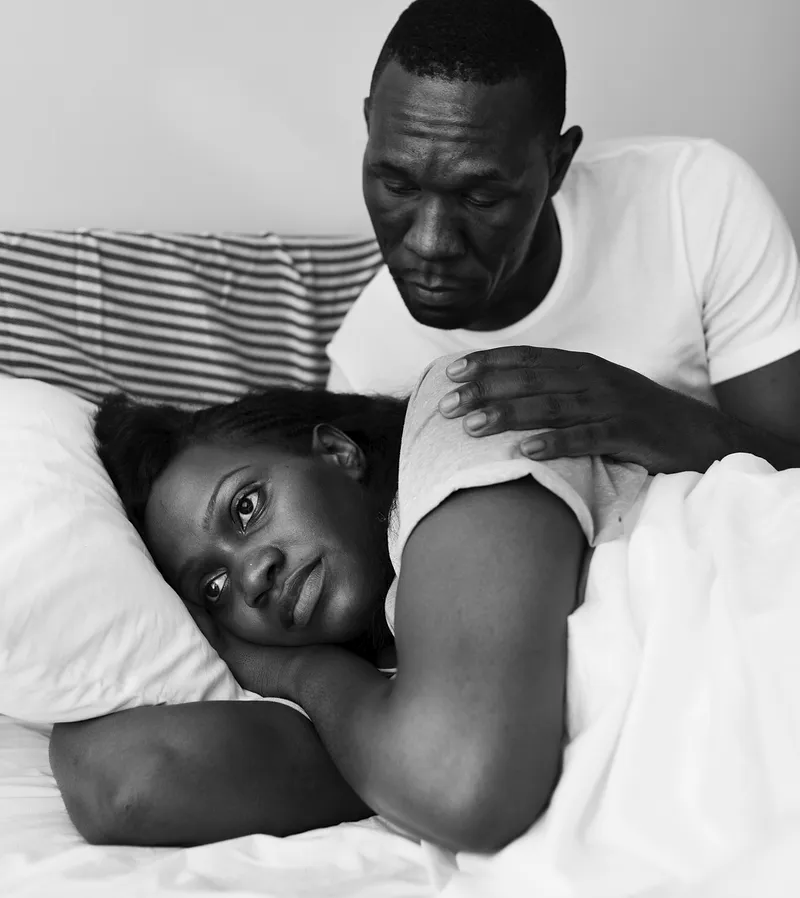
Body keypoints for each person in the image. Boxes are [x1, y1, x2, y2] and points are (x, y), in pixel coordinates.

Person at [52, 355, 648, 852]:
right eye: (213, 587)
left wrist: (301, 670)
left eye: (247, 507)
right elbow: (124, 786)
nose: (251, 577)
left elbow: (458, 788)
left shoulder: (461, 413)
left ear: (338, 453)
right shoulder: (372, 689)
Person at [327, 0, 800, 474]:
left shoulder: (696, 201)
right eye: (397, 186)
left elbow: (793, 459)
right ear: (370, 126)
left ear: (557, 164)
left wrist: (650, 416)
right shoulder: (366, 366)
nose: (430, 243)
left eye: (481, 197)